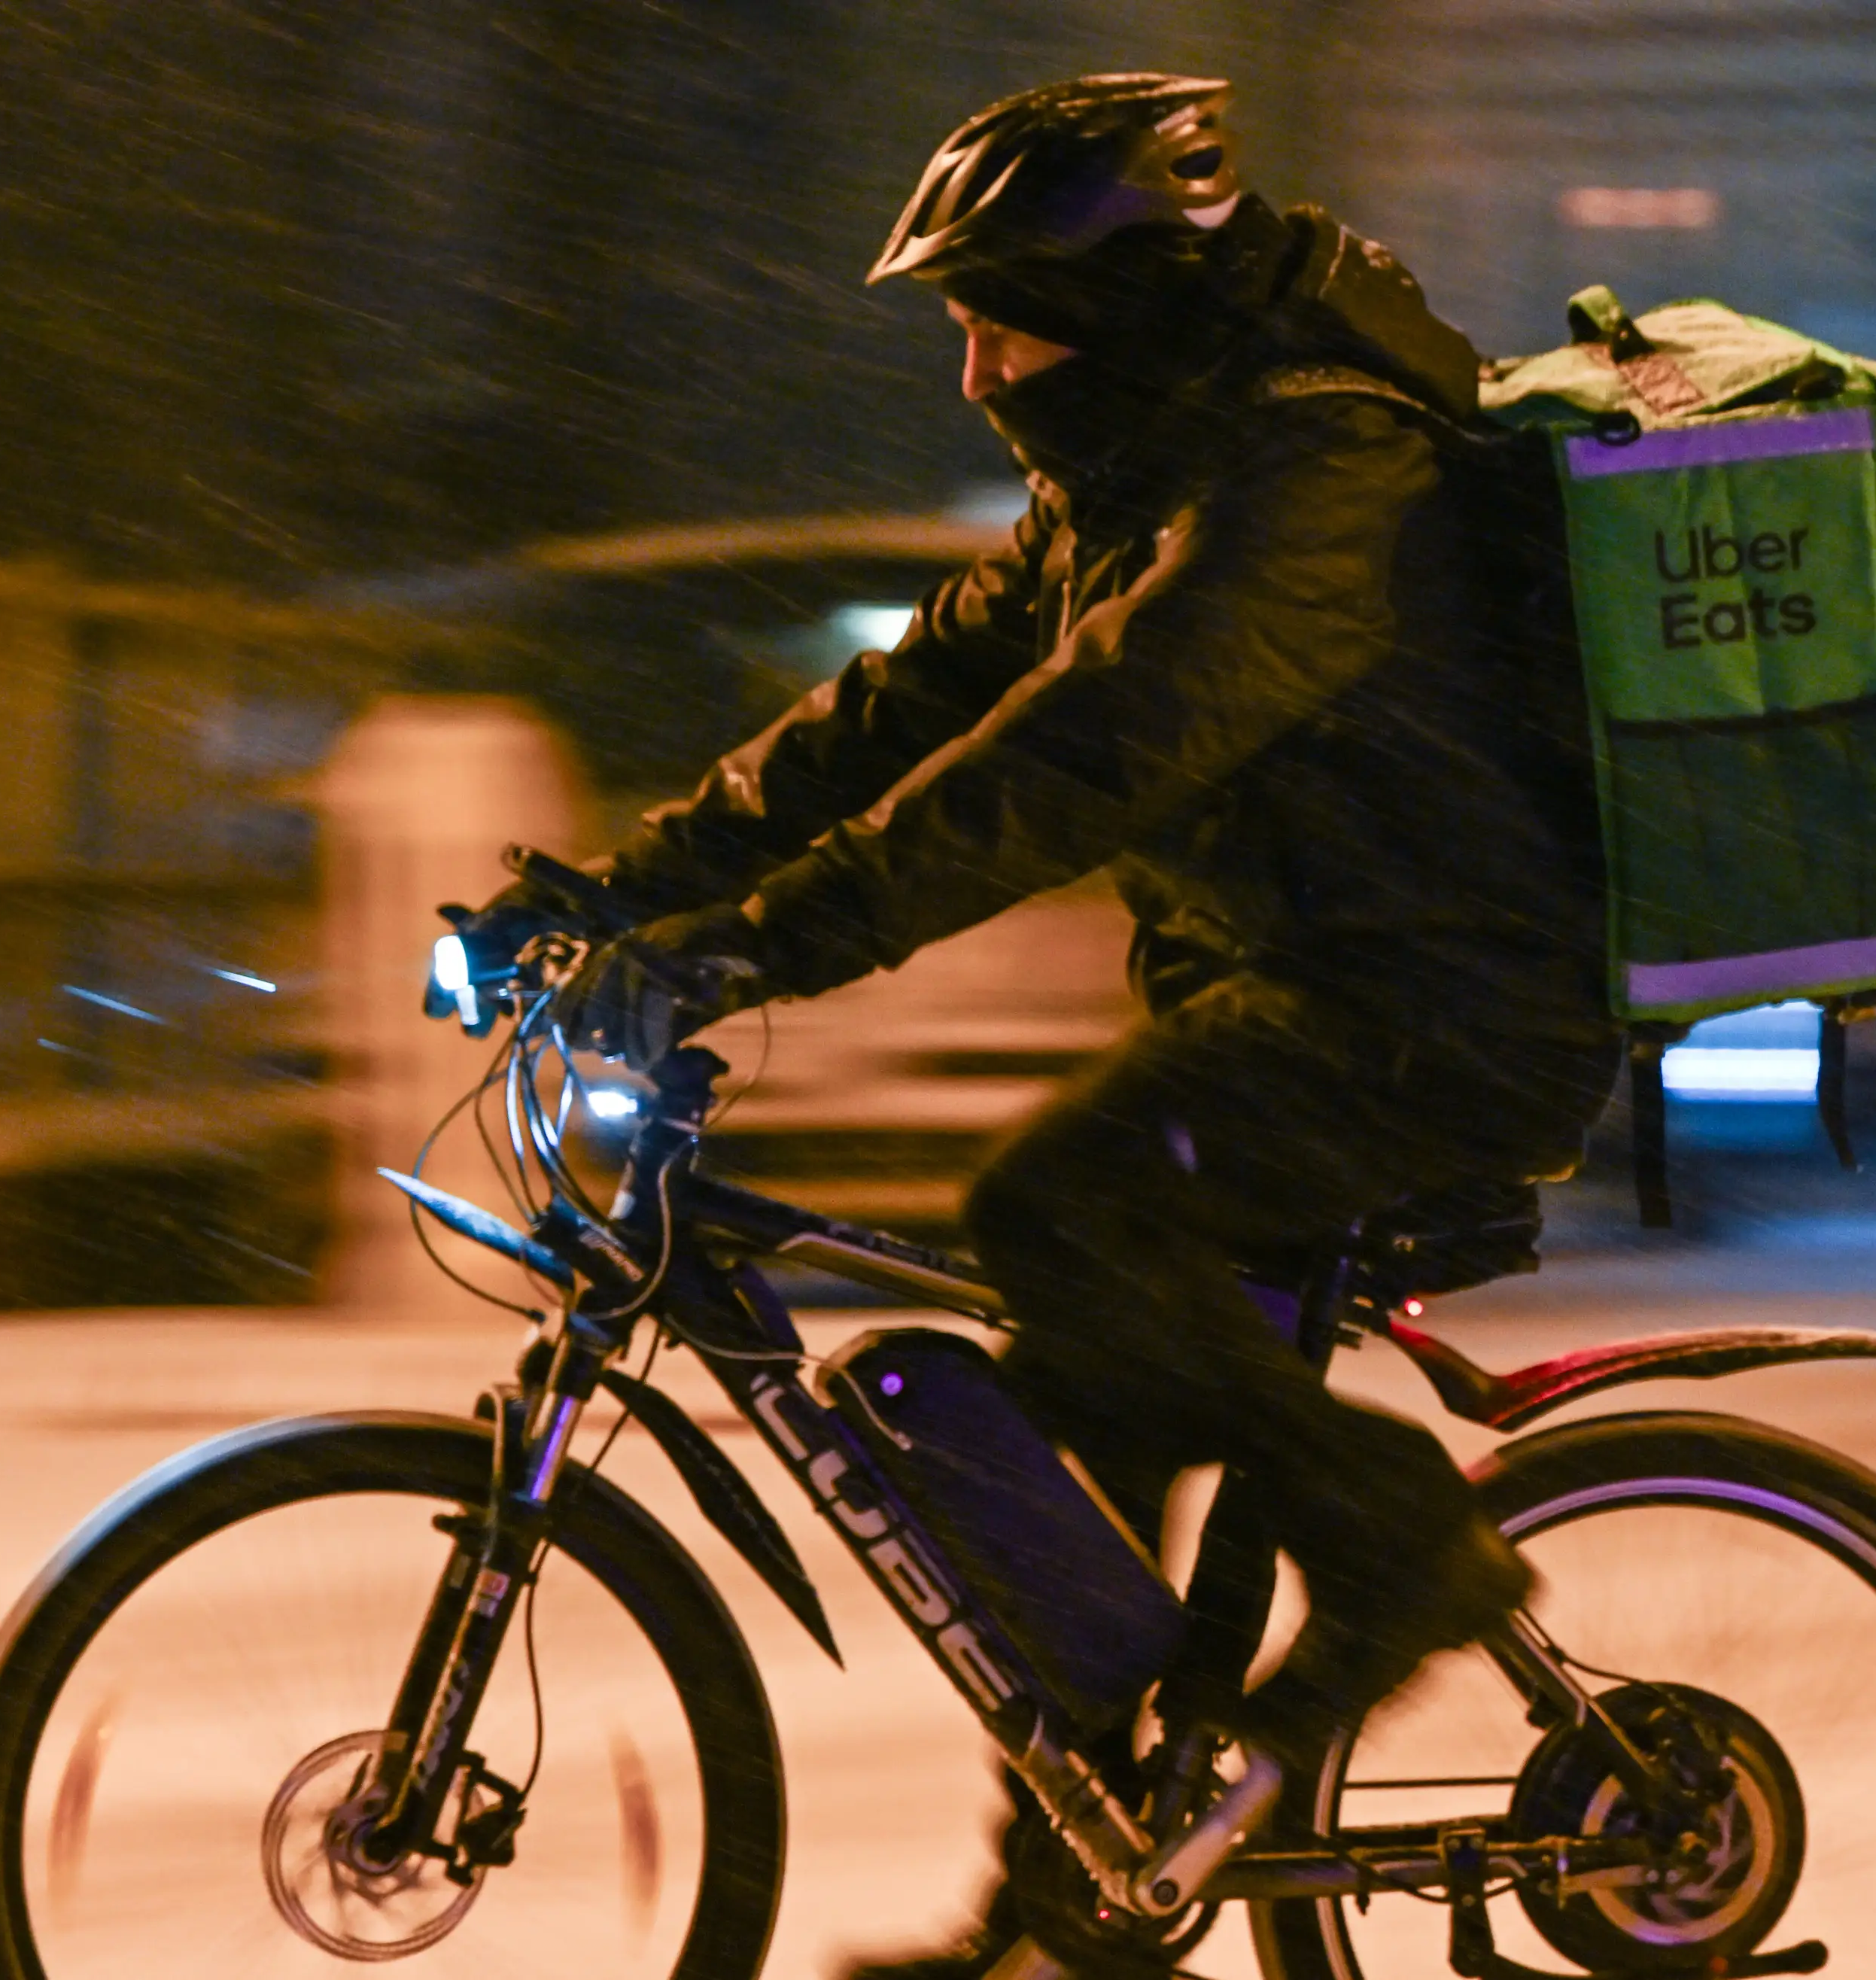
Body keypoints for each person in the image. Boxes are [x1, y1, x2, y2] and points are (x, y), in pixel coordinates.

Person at [554, 72, 1623, 1976]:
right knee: (1043, 1428)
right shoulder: (1131, 483)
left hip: (1439, 1011)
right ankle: (1073, 1921)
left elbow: (1084, 752)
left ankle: (1400, 1549)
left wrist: (762, 950)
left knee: (1058, 1206)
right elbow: (893, 715)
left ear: (1120, 304)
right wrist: (624, 891)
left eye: (1000, 321)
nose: (974, 376)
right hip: (1294, 1002)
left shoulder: (1316, 476)